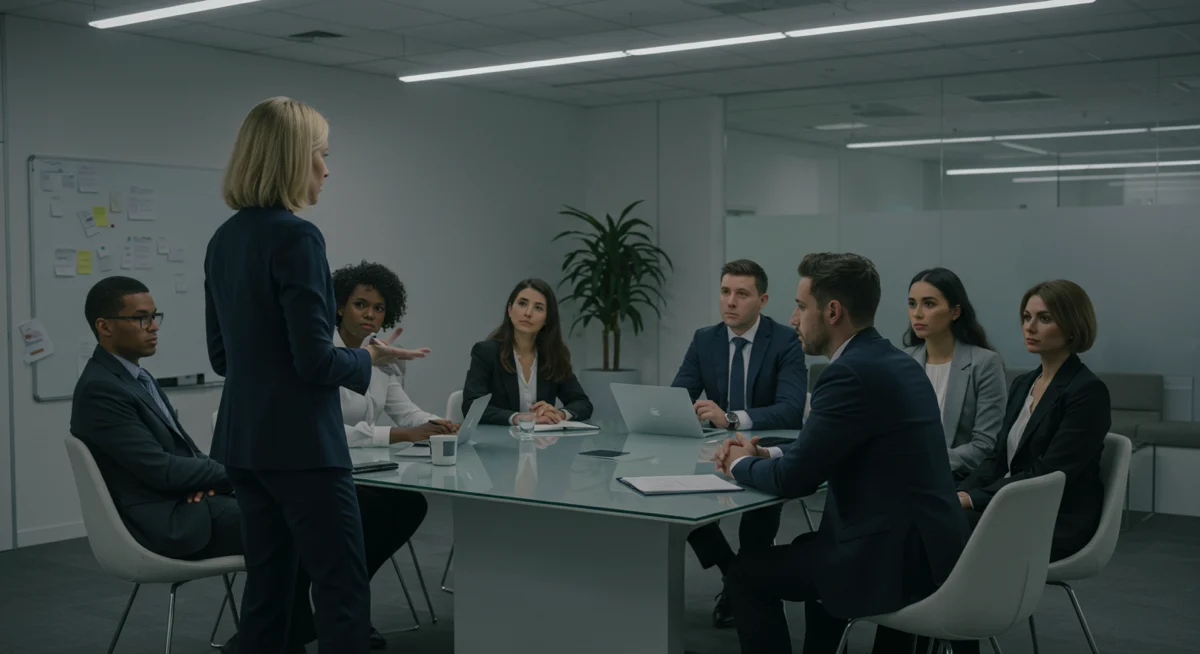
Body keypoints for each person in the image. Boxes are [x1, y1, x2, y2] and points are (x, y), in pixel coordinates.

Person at [205, 97, 422, 654]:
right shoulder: (299, 237)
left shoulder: (224, 239)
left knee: (269, 590)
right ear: (290, 158)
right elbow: (317, 362)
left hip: (243, 444)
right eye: (321, 155)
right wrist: (369, 359)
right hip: (303, 447)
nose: (327, 169)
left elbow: (223, 358)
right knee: (341, 589)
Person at [714, 252, 968, 654]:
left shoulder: (846, 373)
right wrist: (767, 454)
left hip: (889, 560)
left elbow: (794, 480)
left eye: (801, 307)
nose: (793, 320)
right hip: (930, 549)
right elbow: (829, 443)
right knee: (807, 546)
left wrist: (738, 463)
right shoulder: (895, 361)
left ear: (832, 312)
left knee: (745, 572)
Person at [71, 277, 314, 653]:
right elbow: (161, 470)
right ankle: (266, 641)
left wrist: (212, 481)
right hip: (160, 522)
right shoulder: (102, 389)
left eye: (155, 316)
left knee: (294, 518)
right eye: (140, 318)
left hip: (183, 501)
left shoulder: (134, 377)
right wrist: (237, 475)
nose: (153, 327)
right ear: (104, 326)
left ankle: (273, 639)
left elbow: (182, 457)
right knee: (286, 525)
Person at [896, 280, 1110, 654]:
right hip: (1011, 506)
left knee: (940, 526)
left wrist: (971, 499)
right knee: (924, 520)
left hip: (1054, 519)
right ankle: (926, 633)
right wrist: (958, 492)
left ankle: (949, 636)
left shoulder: (1086, 391)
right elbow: (996, 460)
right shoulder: (1025, 383)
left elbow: (1048, 473)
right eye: (1027, 317)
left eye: (1044, 318)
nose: (1030, 326)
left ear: (1073, 327)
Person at [670, 259, 807, 628]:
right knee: (678, 505)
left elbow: (791, 410)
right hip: (712, 449)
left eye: (742, 294)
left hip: (764, 448)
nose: (730, 301)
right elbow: (678, 396)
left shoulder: (784, 341)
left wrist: (730, 418)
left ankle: (745, 581)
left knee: (759, 515)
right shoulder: (705, 339)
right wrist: (675, 412)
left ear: (762, 300)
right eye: (725, 292)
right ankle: (734, 574)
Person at [330, 260, 455, 650]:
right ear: (340, 307)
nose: (370, 314)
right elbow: (328, 431)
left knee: (408, 505)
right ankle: (343, 605)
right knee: (375, 511)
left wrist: (438, 424)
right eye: (360, 305)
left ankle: (344, 599)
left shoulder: (380, 357)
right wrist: (401, 434)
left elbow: (407, 412)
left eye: (379, 308)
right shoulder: (322, 355)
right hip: (324, 473)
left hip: (362, 472)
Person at [903, 267, 1007, 480]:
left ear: (955, 312)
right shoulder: (903, 361)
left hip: (957, 478)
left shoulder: (985, 363)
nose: (917, 313)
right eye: (912, 304)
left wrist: (925, 462)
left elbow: (985, 445)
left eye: (929, 304)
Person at [463, 278, 593, 426]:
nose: (528, 313)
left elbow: (582, 403)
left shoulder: (553, 356)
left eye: (538, 308)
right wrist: (518, 418)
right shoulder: (486, 353)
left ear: (547, 319)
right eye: (522, 304)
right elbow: (471, 406)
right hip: (498, 439)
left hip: (542, 439)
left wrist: (559, 414)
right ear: (510, 310)